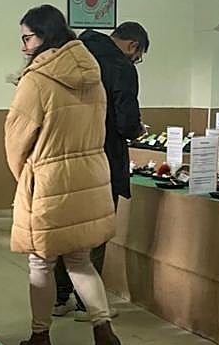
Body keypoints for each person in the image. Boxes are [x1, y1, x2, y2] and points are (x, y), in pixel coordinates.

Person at [6, 5, 122, 345]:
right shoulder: (92, 74)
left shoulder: (36, 80)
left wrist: (23, 175)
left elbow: (16, 138)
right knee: (79, 258)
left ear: (45, 36)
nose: (24, 46)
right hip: (90, 174)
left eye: (28, 37)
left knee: (40, 261)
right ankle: (103, 329)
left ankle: (40, 336)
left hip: (50, 178)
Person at [53, 21, 149, 319]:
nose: (136, 60)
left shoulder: (72, 53)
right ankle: (87, 303)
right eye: (139, 55)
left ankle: (59, 298)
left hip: (65, 157)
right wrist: (136, 130)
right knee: (96, 230)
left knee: (67, 228)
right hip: (103, 158)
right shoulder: (121, 66)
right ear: (133, 46)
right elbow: (125, 121)